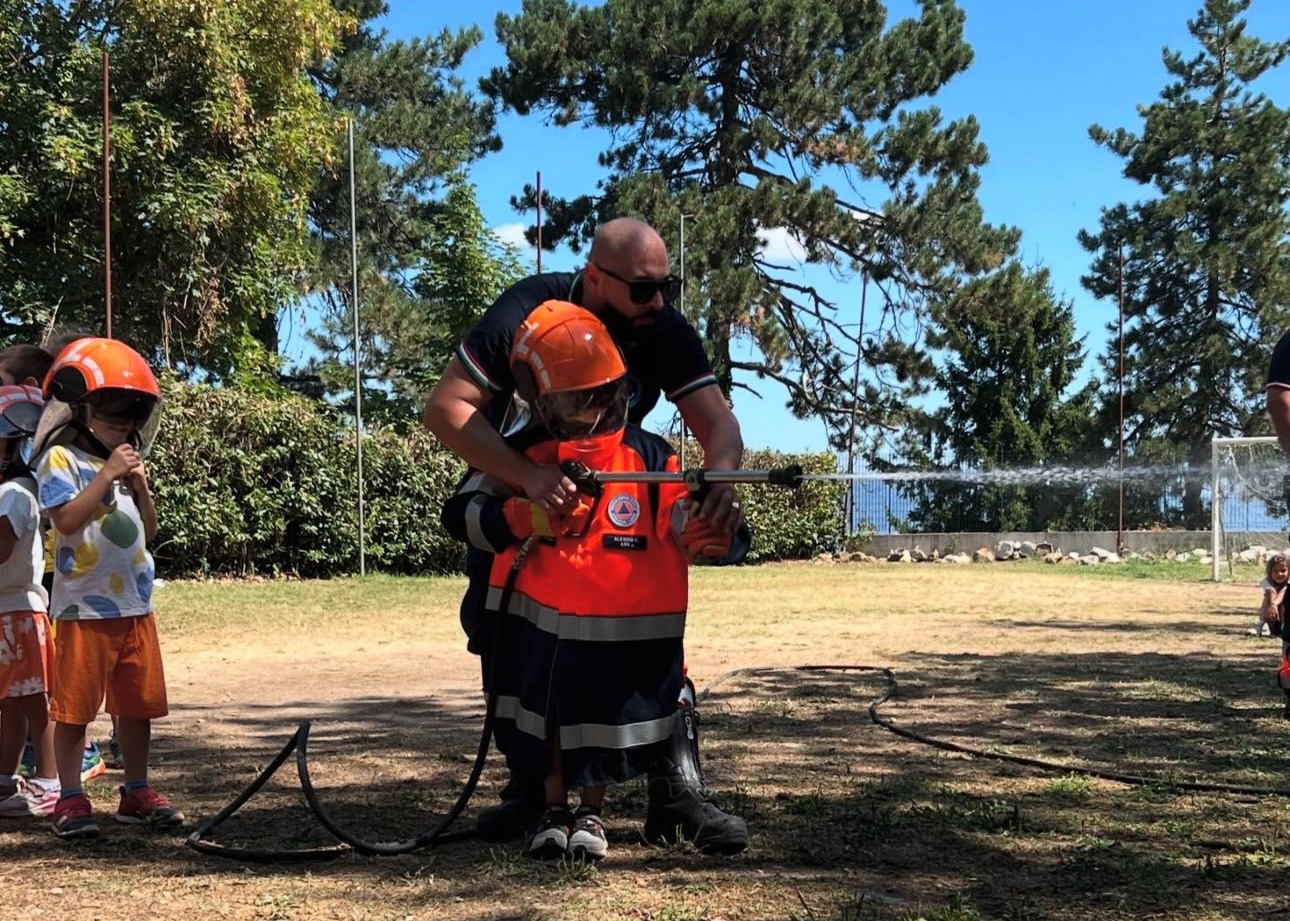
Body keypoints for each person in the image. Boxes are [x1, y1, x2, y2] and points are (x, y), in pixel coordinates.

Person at [424, 217, 748, 849]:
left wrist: (719, 481)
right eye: (642, 290)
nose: (659, 303)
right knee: (506, 634)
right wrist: (524, 480)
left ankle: (674, 791)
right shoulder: (525, 309)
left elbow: (716, 422)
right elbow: (446, 409)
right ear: (595, 277)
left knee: (640, 627)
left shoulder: (663, 327)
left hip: (616, 492)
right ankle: (531, 792)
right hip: (521, 474)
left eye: (667, 287)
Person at [33, 337, 182, 838]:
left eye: (129, 424)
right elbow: (68, 521)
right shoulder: (61, 462)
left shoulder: (128, 464)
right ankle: (70, 797)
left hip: (134, 603)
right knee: (75, 706)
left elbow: (150, 530)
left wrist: (138, 486)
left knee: (136, 704)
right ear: (81, 411)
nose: (124, 431)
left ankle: (136, 789)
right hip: (83, 608)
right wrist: (107, 475)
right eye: (113, 421)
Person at [0, 337, 117, 784]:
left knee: (43, 689)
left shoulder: (36, 451)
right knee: (23, 692)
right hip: (29, 589)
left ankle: (68, 764)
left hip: (41, 589)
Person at [0, 385, 60, 817]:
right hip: (10, 612)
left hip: (16, 612)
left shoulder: (13, 495)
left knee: (33, 703)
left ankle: (50, 782)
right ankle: (5, 778)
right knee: (12, 703)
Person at [1253, 552, 1288, 637]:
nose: (1279, 574)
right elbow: (1271, 591)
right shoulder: (1267, 581)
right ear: (1270, 572)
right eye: (1275, 571)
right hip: (1273, 617)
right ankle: (1264, 624)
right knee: (1268, 595)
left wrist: (1274, 604)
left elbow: (1284, 591)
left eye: (1283, 571)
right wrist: (1273, 605)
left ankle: (1285, 626)